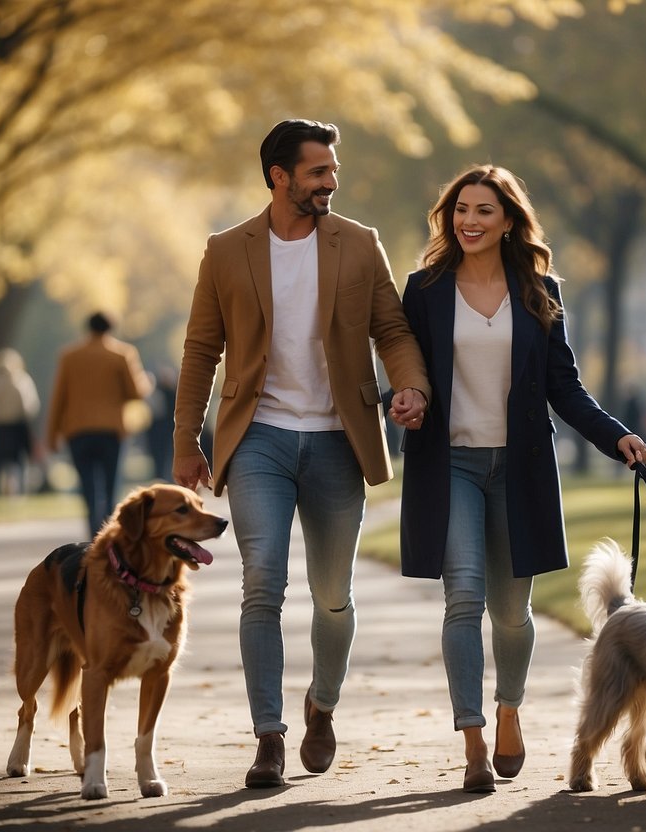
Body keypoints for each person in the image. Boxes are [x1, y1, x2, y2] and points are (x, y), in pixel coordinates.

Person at [172, 119, 430, 789]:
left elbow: (392, 329)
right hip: (257, 435)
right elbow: (201, 349)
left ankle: (321, 703)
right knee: (261, 582)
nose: (330, 181)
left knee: (332, 597)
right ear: (279, 176)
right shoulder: (227, 250)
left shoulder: (358, 243)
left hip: (336, 442)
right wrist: (185, 441)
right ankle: (268, 737)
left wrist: (410, 386)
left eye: (331, 169)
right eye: (317, 171)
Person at [397, 165, 646, 793]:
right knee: (463, 601)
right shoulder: (424, 288)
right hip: (449, 462)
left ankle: (510, 708)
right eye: (461, 210)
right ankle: (473, 739)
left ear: (508, 220)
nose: (470, 221)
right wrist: (402, 399)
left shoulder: (539, 290)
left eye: (484, 210)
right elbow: (408, 371)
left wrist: (613, 435)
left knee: (512, 614)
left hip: (520, 468)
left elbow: (564, 385)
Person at [46, 311, 152, 538]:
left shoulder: (69, 356)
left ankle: (94, 534)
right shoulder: (122, 354)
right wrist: (146, 384)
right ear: (110, 328)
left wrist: (51, 434)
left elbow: (58, 398)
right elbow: (136, 391)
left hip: (78, 430)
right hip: (111, 430)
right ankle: (109, 535)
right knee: (110, 486)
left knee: (88, 488)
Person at [0, 348, 41, 496]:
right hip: (17, 428)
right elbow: (31, 407)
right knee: (18, 462)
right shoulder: (23, 381)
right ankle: (20, 492)